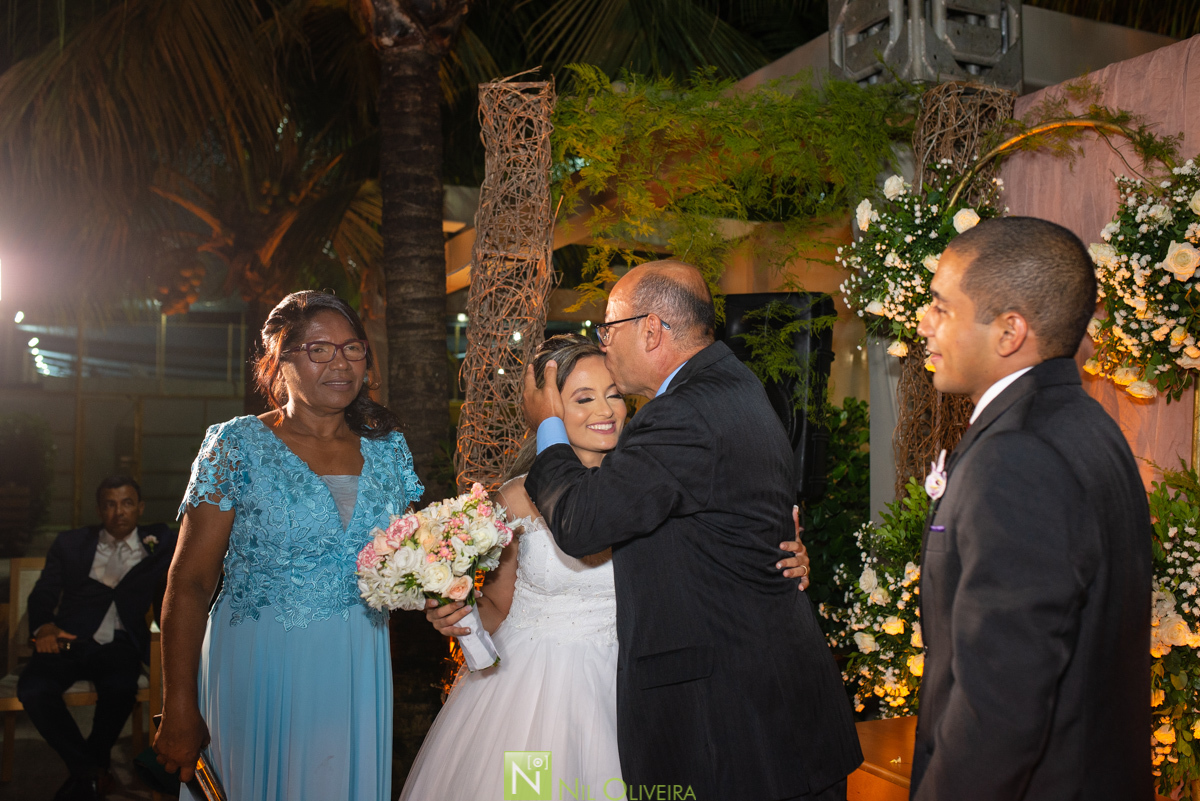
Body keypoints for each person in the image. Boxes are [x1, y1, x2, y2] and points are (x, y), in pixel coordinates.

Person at [404, 334, 814, 800]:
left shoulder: (653, 482)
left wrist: (784, 559)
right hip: (535, 695)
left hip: (644, 685)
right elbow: (500, 604)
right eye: (583, 398)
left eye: (614, 394)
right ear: (547, 413)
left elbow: (717, 549)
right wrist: (458, 615)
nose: (606, 411)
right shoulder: (513, 501)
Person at [522, 262, 862, 801]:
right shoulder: (735, 384)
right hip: (769, 719)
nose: (604, 345)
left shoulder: (683, 414)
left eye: (608, 330)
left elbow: (580, 522)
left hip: (731, 733)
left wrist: (547, 424)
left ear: (651, 330)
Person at [910, 216, 1152, 800]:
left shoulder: (1018, 454)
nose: (923, 322)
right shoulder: (1089, 425)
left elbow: (999, 708)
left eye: (942, 307)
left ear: (1009, 331)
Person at [152, 291, 423, 801]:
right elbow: (189, 583)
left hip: (357, 664)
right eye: (319, 350)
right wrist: (180, 703)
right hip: (260, 665)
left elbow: (407, 562)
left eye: (353, 348)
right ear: (281, 361)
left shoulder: (389, 451)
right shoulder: (236, 445)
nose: (340, 363)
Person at [19, 476, 176, 801]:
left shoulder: (159, 541)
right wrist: (43, 627)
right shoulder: (71, 543)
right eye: (110, 504)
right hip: (69, 638)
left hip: (120, 644)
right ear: (99, 509)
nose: (119, 512)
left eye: (127, 503)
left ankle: (85, 777)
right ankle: (92, 772)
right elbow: (44, 592)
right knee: (32, 688)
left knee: (121, 687)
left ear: (140, 507)